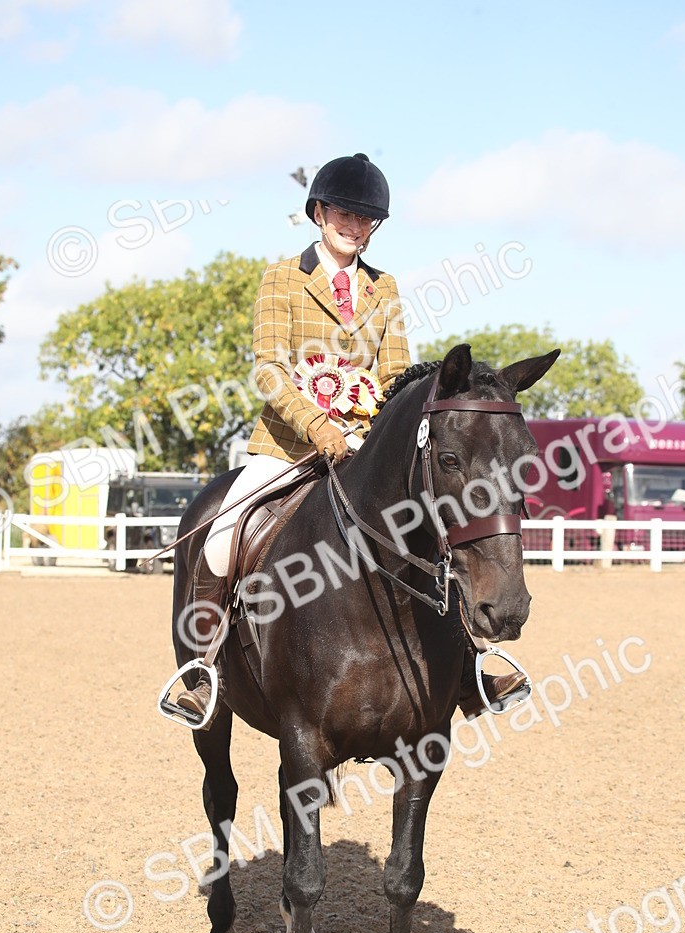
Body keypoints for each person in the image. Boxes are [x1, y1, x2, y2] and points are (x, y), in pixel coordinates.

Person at [176, 152, 524, 722]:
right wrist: (316, 424)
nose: (353, 226)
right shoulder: (282, 278)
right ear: (319, 212)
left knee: (433, 527)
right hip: (288, 447)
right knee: (222, 533)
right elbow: (268, 368)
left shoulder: (383, 287)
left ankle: (469, 669)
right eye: (343, 212)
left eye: (365, 219)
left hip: (366, 447)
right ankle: (202, 669)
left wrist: (376, 424)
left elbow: (397, 375)